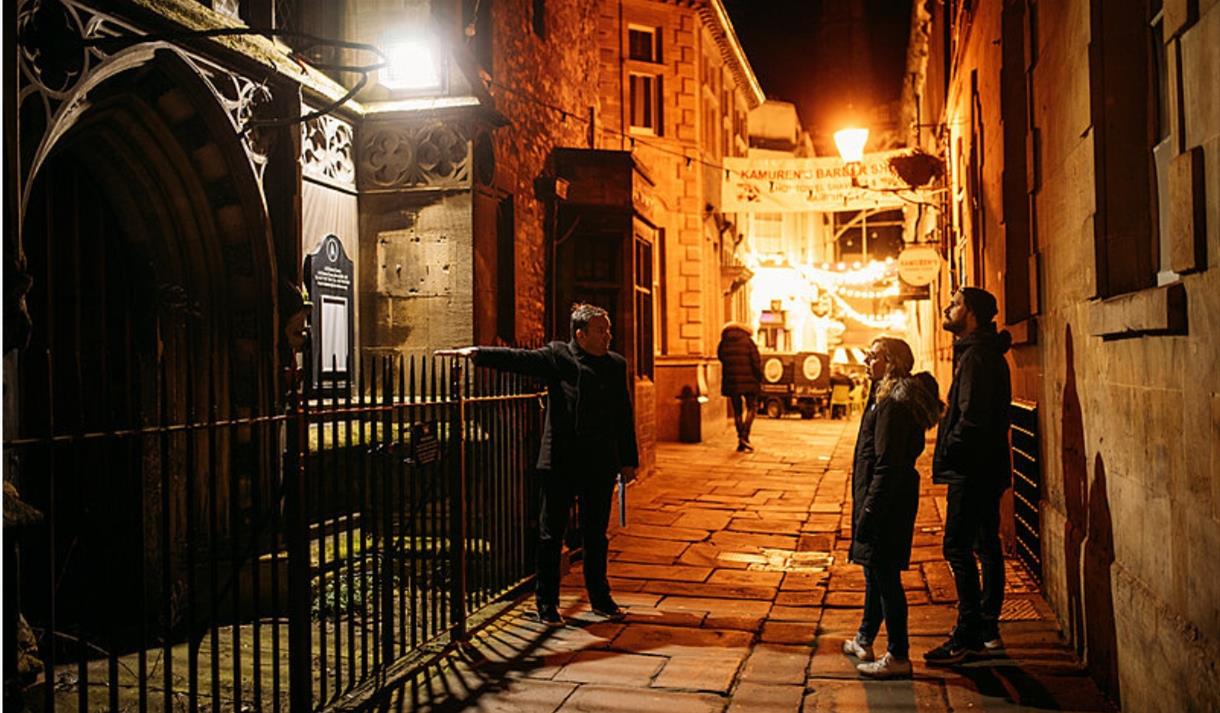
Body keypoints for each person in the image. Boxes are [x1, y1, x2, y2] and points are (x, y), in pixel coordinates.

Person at [436, 303, 639, 626]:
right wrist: (476, 353)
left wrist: (629, 461)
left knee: (595, 536)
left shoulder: (615, 365)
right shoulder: (559, 357)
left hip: (599, 463)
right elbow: (518, 360)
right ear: (580, 334)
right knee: (550, 534)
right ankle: (547, 604)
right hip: (561, 461)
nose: (608, 336)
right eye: (602, 330)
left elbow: (623, 416)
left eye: (609, 329)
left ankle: (600, 598)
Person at [842, 337, 942, 679]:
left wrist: (869, 512)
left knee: (886, 578)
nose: (867, 361)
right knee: (874, 571)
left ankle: (898, 655)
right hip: (880, 498)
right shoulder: (882, 397)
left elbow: (887, 465)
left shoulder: (893, 405)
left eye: (873, 356)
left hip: (886, 502)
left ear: (892, 362)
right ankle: (865, 638)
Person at [924, 287, 1013, 665]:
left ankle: (968, 633)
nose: (949, 307)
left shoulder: (977, 357)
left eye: (956, 303)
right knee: (986, 544)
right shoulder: (982, 352)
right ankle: (988, 626)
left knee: (957, 548)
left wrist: (949, 453)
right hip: (986, 466)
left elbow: (972, 419)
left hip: (972, 468)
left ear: (971, 313)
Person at [716, 322, 763, 452]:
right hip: (749, 381)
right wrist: (760, 378)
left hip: (731, 381)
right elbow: (756, 362)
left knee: (737, 411)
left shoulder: (724, 342)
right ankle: (744, 436)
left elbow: (720, 357)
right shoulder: (748, 342)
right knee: (752, 408)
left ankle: (741, 440)